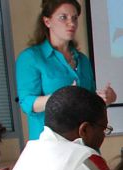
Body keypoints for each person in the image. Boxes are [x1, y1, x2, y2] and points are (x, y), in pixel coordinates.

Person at [16, 0, 117, 140]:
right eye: (63, 17)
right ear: (47, 21)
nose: (72, 23)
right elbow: (27, 103)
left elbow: (89, 102)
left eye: (74, 18)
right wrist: (62, 97)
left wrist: (107, 98)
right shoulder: (31, 57)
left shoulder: (82, 59)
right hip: (51, 146)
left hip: (85, 143)